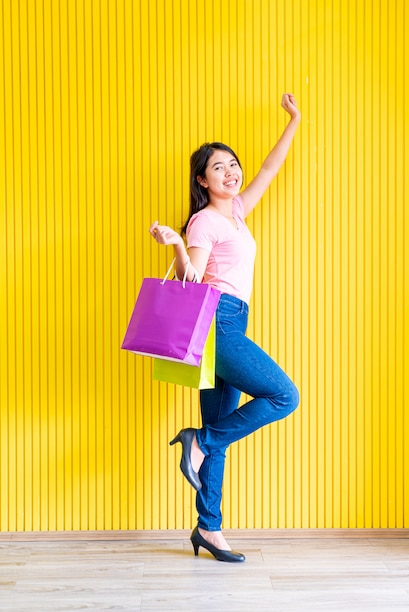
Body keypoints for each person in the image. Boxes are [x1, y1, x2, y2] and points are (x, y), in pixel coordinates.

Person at [149, 93, 301, 563]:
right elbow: (191, 279)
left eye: (233, 164)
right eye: (219, 167)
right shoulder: (203, 221)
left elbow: (269, 171)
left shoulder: (235, 212)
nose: (231, 172)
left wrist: (294, 120)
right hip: (217, 322)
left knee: (219, 423)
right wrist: (176, 244)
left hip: (232, 318)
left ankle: (208, 528)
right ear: (202, 179)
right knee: (284, 396)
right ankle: (200, 442)